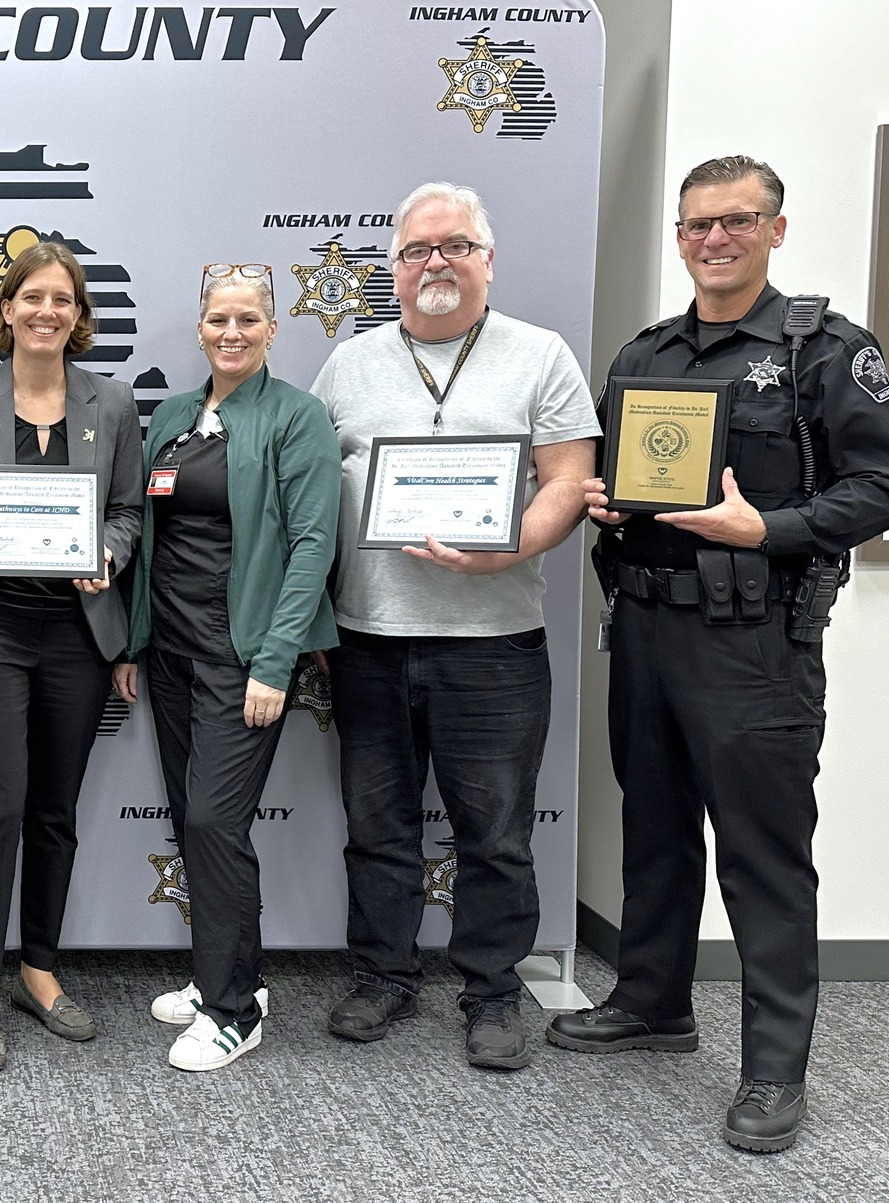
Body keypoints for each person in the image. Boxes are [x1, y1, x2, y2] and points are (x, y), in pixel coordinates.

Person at [553, 155, 889, 1152]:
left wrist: (761, 528)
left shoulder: (818, 350)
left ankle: (771, 1068)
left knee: (763, 857)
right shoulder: (644, 355)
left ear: (774, 228)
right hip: (643, 624)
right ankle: (650, 1002)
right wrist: (603, 501)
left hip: (753, 639)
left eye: (732, 221)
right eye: (694, 225)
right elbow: (618, 482)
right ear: (677, 237)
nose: (711, 240)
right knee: (656, 829)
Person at [312, 182, 600, 1073]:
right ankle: (384, 975)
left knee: (497, 834)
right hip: (368, 637)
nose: (435, 261)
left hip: (496, 644)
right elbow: (310, 494)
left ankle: (491, 991)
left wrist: (507, 548)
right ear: (392, 269)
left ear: (487, 258)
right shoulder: (349, 364)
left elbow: (569, 481)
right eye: (416, 250)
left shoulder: (540, 355)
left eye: (455, 245)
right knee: (378, 824)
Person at [0, 241, 145, 1072]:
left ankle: (38, 969)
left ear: (79, 316)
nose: (47, 311)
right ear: (7, 309)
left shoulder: (113, 404)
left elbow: (126, 511)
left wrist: (111, 555)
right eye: (32, 298)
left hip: (79, 633)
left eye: (63, 299)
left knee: (55, 808)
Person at [114, 263, 340, 1072]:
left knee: (214, 822)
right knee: (195, 819)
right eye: (218, 319)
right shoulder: (174, 414)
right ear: (200, 327)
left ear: (274, 329)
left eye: (248, 319)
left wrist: (276, 660)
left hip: (244, 659)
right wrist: (134, 643)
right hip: (171, 654)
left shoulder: (297, 416)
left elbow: (314, 544)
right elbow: (147, 536)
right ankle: (228, 973)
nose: (232, 332)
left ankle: (234, 1010)